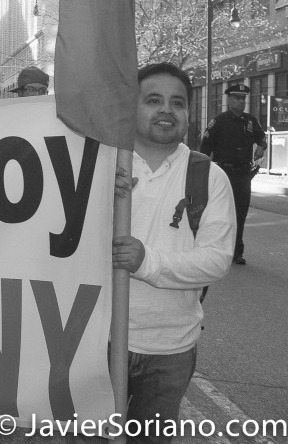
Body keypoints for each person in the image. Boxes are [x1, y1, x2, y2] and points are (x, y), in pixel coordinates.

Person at [112, 63, 234, 441]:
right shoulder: (101, 166)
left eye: (177, 103)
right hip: (95, 342)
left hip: (169, 351)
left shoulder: (208, 176)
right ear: (131, 106)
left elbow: (216, 260)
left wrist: (147, 261)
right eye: (153, 100)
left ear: (187, 113)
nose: (166, 110)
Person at [199, 83, 266, 265]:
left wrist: (261, 147)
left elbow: (262, 136)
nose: (241, 101)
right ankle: (217, 247)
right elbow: (205, 148)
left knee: (240, 213)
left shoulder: (250, 121)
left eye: (243, 98)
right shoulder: (219, 121)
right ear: (229, 99)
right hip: (223, 173)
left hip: (243, 174)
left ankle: (236, 251)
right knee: (220, 213)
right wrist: (203, 171)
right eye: (237, 98)